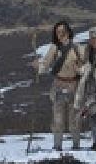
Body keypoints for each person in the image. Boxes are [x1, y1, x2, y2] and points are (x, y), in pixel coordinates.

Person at [33, 21, 85, 151]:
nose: (60, 35)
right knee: (58, 119)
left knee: (74, 118)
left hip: (74, 86)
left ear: (68, 32)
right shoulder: (54, 49)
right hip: (58, 85)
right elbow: (45, 65)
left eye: (63, 32)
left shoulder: (77, 48)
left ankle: (76, 145)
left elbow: (87, 64)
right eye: (58, 32)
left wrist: (81, 70)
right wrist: (38, 66)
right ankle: (57, 146)